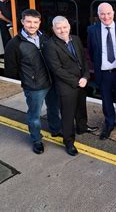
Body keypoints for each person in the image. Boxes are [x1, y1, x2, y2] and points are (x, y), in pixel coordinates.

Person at [4, 9, 61, 154]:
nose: (32, 25)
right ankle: (36, 140)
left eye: (35, 22)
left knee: (54, 109)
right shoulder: (14, 44)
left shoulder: (45, 38)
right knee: (34, 115)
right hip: (34, 87)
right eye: (28, 21)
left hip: (51, 82)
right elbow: (10, 70)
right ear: (22, 22)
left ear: (40, 23)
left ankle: (56, 130)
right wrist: (29, 79)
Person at [44, 16, 98, 156]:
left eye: (64, 27)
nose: (62, 30)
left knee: (81, 107)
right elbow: (57, 69)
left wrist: (86, 76)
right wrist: (76, 81)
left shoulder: (76, 39)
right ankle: (68, 141)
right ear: (53, 29)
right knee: (67, 116)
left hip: (82, 81)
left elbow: (84, 60)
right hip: (66, 86)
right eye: (58, 28)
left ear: (69, 26)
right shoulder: (50, 45)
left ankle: (82, 127)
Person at [87, 3, 116, 139]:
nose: (106, 16)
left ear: (113, 13)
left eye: (108, 13)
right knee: (106, 101)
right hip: (103, 73)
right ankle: (109, 124)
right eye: (102, 14)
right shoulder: (91, 30)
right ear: (98, 15)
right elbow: (91, 51)